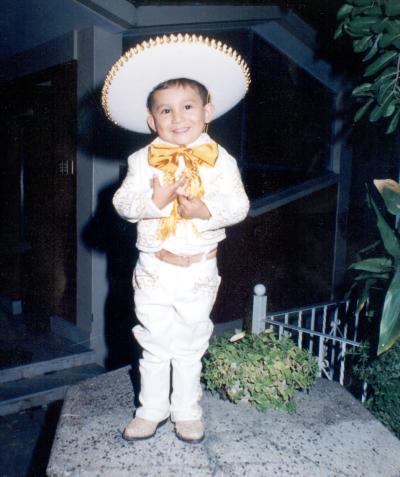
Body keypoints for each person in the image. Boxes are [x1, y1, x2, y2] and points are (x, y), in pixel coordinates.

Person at [101, 33, 250, 443]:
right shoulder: (141, 159)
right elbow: (123, 203)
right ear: (152, 120)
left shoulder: (222, 161)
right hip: (154, 267)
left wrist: (205, 211)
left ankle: (186, 409)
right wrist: (155, 198)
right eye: (165, 110)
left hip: (199, 269)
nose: (177, 117)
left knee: (189, 343)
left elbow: (239, 207)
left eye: (187, 107)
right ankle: (151, 409)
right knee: (154, 343)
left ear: (207, 111)